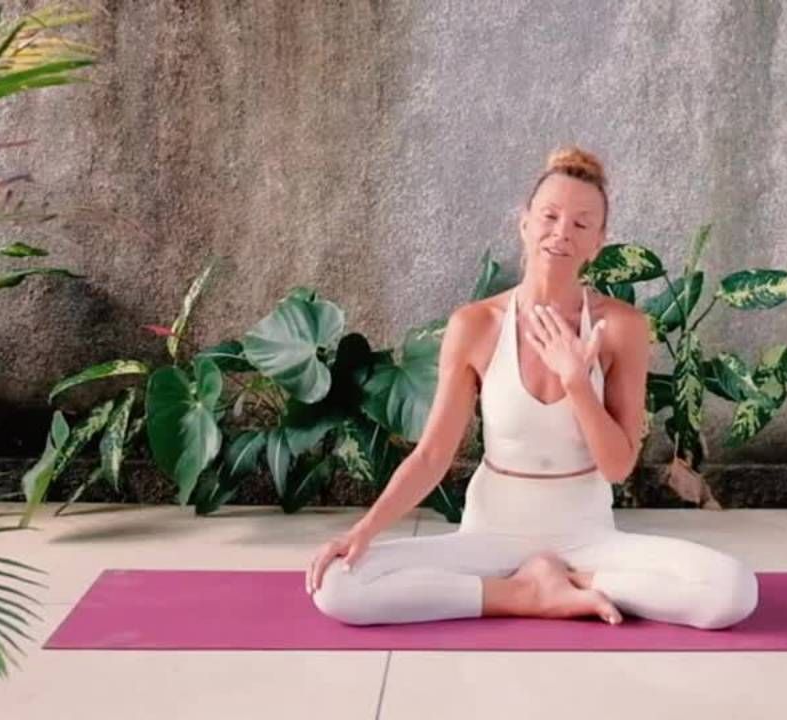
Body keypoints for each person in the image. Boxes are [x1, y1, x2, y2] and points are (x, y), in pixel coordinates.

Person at [304, 145, 758, 629]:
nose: (562, 233)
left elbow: (617, 466)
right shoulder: (476, 325)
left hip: (588, 541)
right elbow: (433, 455)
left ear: (598, 243)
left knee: (733, 591)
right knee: (337, 585)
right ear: (524, 223)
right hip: (489, 539)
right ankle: (525, 594)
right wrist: (363, 530)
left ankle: (576, 581)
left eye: (581, 224)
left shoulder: (621, 327)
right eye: (550, 216)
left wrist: (577, 383)